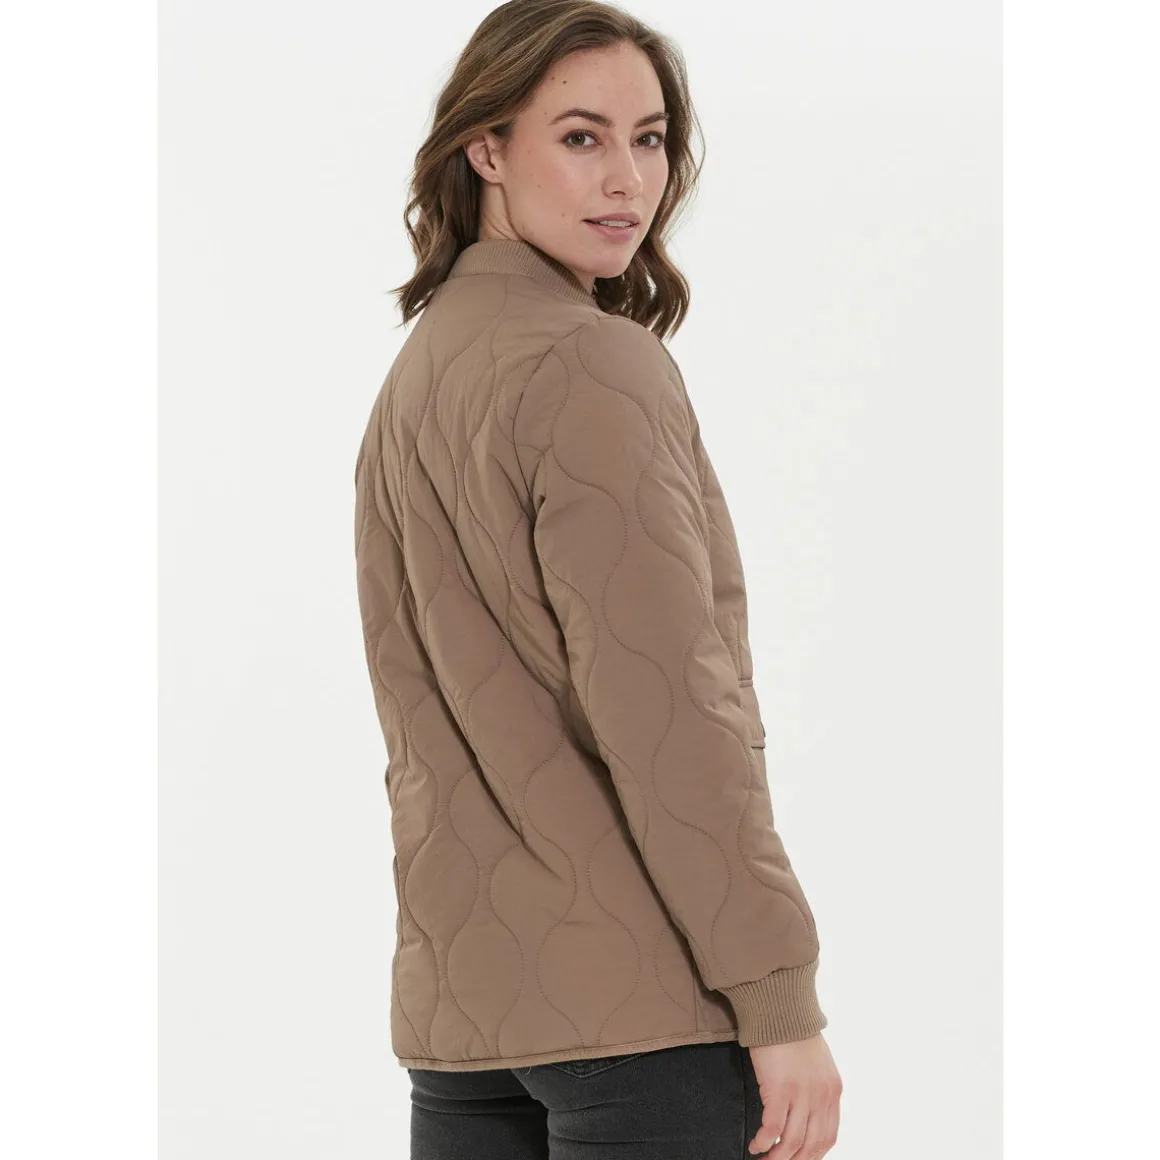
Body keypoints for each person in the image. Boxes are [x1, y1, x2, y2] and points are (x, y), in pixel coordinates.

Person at [353, 2, 843, 1156]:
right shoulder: (589, 360)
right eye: (580, 137)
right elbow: (670, 714)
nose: (627, 178)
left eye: (650, 138)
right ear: (486, 147)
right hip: (642, 1019)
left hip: (462, 1025)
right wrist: (777, 995)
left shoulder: (416, 378)